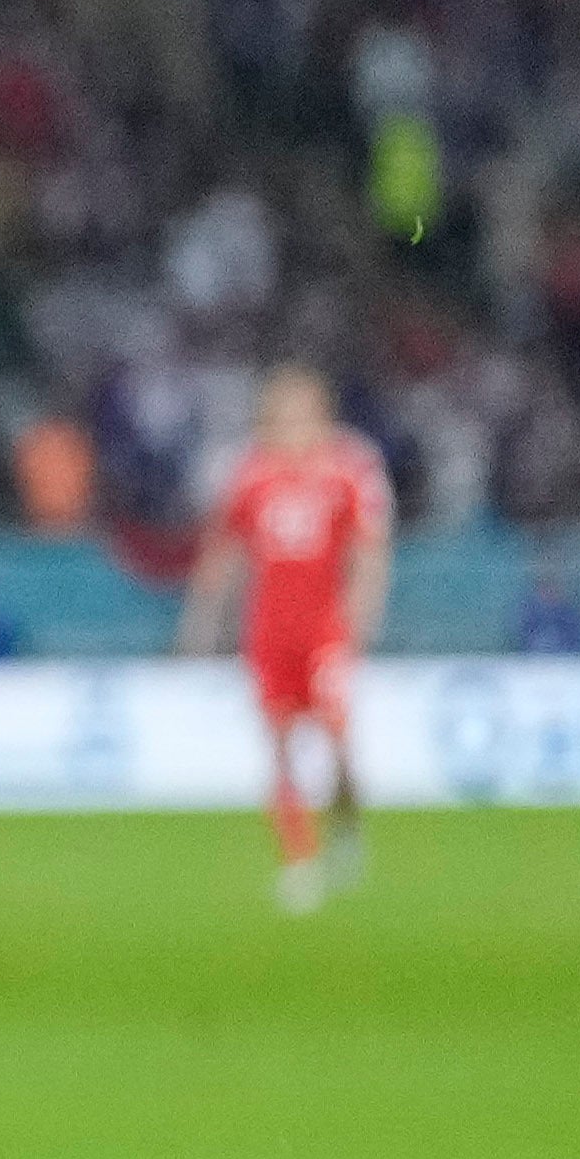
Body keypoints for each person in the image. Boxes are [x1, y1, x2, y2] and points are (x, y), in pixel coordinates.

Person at [177, 362, 395, 909]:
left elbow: (370, 549)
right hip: (270, 633)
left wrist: (361, 615)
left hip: (325, 632)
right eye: (282, 417)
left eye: (302, 416)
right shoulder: (250, 475)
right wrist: (201, 622)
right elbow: (223, 552)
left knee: (337, 740)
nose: (292, 428)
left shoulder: (348, 470)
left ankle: (346, 823)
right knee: (277, 747)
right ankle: (299, 859)